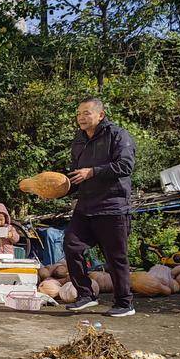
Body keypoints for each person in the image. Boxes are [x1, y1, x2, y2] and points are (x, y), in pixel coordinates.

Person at [63, 98, 137, 317]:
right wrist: (56, 189)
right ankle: (86, 295)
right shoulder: (79, 140)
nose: (81, 118)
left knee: (115, 258)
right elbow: (77, 176)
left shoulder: (118, 135)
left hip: (112, 206)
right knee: (71, 246)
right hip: (85, 206)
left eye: (86, 113)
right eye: (78, 114)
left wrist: (93, 171)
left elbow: (125, 166)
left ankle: (124, 303)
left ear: (101, 115)